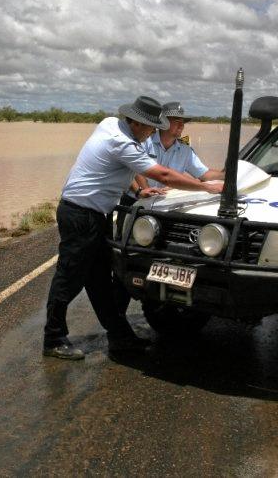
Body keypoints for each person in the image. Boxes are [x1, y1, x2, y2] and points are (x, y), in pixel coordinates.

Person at [44, 95, 224, 360]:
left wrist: (139, 191)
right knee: (69, 278)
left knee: (100, 280)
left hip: (95, 215)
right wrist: (205, 187)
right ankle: (53, 338)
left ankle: (120, 337)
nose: (153, 133)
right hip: (81, 215)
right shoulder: (124, 143)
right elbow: (162, 174)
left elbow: (117, 171)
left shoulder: (109, 124)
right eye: (151, 127)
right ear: (138, 124)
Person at [131, 100, 224, 194]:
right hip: (135, 199)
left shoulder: (186, 151)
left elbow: (204, 175)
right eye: (177, 121)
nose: (181, 125)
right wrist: (146, 192)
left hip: (163, 202)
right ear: (163, 122)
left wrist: (227, 174)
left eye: (183, 122)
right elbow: (134, 169)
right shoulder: (144, 141)